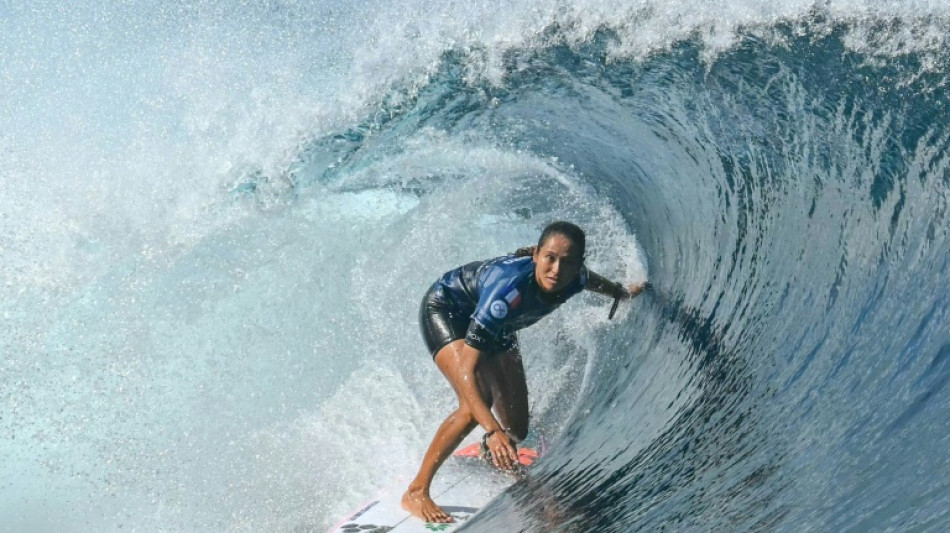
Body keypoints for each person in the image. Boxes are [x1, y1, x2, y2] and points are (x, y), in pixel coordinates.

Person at [401, 221, 648, 523]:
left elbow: (590, 280)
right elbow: (467, 369)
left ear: (578, 264)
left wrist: (621, 293)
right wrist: (491, 430)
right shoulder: (506, 294)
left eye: (567, 262)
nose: (556, 269)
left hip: (498, 325)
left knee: (517, 429)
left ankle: (492, 451)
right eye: (550, 258)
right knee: (474, 404)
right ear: (536, 255)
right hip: (449, 309)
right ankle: (416, 490)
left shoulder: (575, 277)